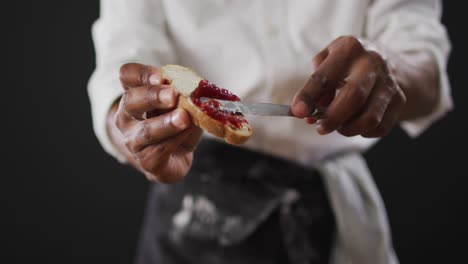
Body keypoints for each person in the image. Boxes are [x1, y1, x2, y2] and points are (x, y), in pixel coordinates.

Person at [88, 0, 452, 263]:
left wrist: (389, 69)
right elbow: (120, 63)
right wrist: (135, 128)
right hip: (195, 215)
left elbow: (424, 62)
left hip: (335, 209)